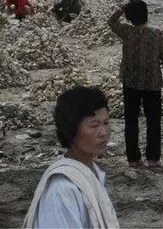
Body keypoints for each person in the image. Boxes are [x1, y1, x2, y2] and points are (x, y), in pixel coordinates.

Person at [23, 87, 119, 228]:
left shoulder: (91, 171)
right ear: (71, 129)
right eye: (94, 125)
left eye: (106, 123)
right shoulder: (62, 190)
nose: (103, 133)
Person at [108, 0, 163, 168]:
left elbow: (111, 22)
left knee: (131, 121)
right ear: (147, 14)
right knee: (153, 122)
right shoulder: (157, 34)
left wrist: (122, 8)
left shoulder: (127, 32)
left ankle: (133, 159)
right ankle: (153, 158)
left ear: (129, 18)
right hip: (152, 84)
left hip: (131, 83)